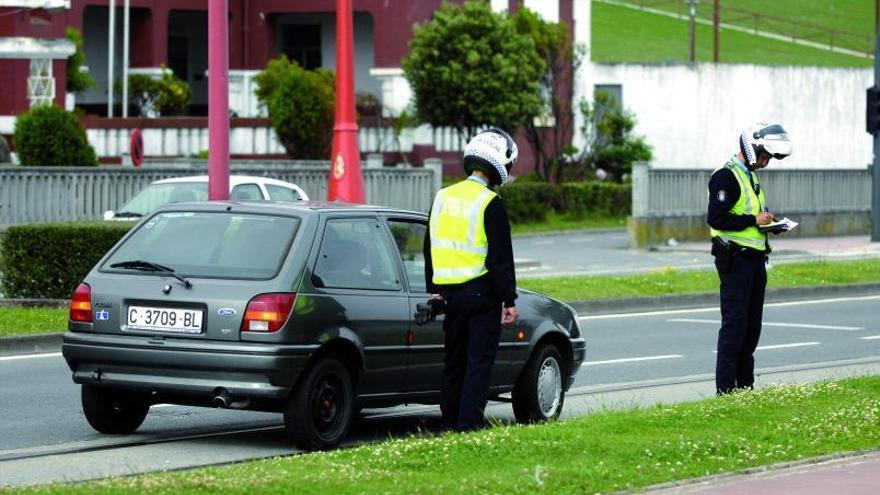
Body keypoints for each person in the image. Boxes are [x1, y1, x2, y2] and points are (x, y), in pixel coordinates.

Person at [424, 128, 519, 432]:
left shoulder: (442, 197)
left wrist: (435, 291)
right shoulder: (490, 201)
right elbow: (500, 259)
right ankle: (469, 424)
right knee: (478, 363)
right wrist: (509, 300)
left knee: (454, 361)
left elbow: (430, 247)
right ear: (500, 164)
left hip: (449, 298)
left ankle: (449, 421)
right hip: (481, 295)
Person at [707, 122, 792, 395]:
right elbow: (717, 218)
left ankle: (745, 388)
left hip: (756, 261)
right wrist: (753, 220)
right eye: (766, 156)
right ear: (753, 150)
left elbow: (752, 218)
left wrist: (770, 224)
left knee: (752, 328)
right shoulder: (726, 176)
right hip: (735, 261)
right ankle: (726, 392)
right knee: (734, 327)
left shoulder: (752, 177)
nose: (767, 162)